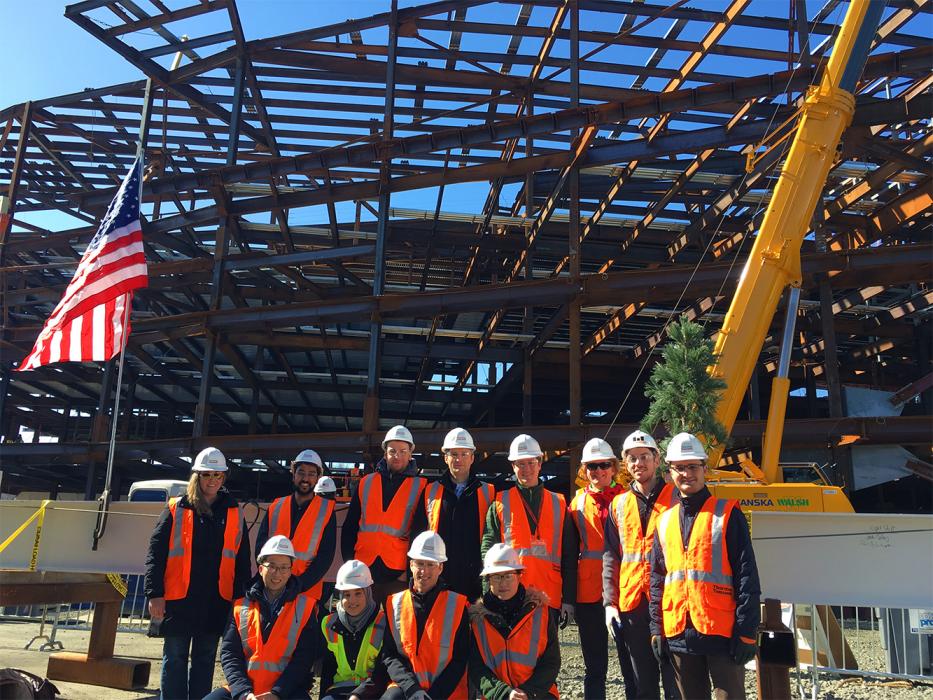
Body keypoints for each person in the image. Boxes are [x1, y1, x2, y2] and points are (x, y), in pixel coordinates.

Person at [649, 433, 761, 700]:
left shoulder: (727, 513)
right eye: (679, 467)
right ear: (670, 472)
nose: (686, 474)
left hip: (721, 632)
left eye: (692, 467)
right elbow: (657, 580)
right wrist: (656, 629)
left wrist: (747, 631)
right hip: (678, 632)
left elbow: (746, 575)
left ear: (704, 469)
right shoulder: (664, 522)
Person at [144, 447, 251, 700]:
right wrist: (154, 593)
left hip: (216, 600)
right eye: (207, 475)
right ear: (197, 476)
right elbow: (155, 554)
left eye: (217, 475)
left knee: (204, 660)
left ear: (223, 477)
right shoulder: (176, 508)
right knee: (175, 659)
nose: (212, 480)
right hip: (179, 599)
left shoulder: (234, 512)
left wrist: (239, 601)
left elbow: (242, 561)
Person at [604, 430, 679, 700]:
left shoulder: (676, 498)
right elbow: (611, 556)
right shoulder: (619, 505)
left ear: (657, 460)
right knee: (642, 685)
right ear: (625, 463)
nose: (639, 463)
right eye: (632, 458)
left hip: (671, 603)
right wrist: (609, 603)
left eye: (644, 456)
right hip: (633, 604)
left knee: (675, 683)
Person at [351, 531, 470, 700]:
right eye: (420, 563)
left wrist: (433, 696)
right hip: (407, 687)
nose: (424, 571)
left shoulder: (458, 605)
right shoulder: (394, 603)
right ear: (411, 565)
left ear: (441, 567)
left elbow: (460, 660)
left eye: (431, 564)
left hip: (446, 693)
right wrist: (413, 689)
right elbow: (390, 656)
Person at [206, 535, 318, 700]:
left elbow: (304, 659)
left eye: (284, 567)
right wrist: (244, 692)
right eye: (271, 566)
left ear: (290, 571)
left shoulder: (306, 607)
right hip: (246, 690)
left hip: (286, 691)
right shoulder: (240, 605)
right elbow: (230, 653)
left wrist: (277, 693)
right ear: (260, 569)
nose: (277, 573)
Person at [481, 434, 576, 618]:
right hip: (511, 595)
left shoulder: (559, 503)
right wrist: (489, 592)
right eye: (520, 464)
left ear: (540, 463)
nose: (526, 469)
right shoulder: (500, 503)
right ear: (513, 467)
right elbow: (488, 549)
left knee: (546, 647)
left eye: (531, 463)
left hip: (549, 595)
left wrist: (569, 600)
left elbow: (570, 556)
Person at [567, 438, 625, 700]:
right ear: (584, 470)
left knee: (632, 665)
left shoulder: (629, 499)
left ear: (613, 468)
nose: (598, 471)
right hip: (589, 594)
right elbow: (568, 553)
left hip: (625, 590)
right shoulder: (576, 504)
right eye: (592, 466)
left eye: (603, 465)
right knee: (595, 667)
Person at [342, 426, 427, 604]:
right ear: (385, 452)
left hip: (397, 573)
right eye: (392, 451)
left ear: (411, 452)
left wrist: (408, 570)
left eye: (403, 451)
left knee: (394, 626)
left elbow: (419, 534)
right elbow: (349, 527)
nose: (397, 456)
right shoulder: (366, 483)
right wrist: (349, 563)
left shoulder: (421, 487)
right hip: (362, 569)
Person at [412, 427, 495, 601]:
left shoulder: (488, 492)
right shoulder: (430, 492)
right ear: (446, 458)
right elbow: (417, 537)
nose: (458, 459)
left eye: (464, 454)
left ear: (472, 458)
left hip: (474, 580)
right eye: (454, 454)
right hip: (437, 579)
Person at [469, 543, 560, 700]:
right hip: (498, 696)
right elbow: (477, 669)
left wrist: (527, 693)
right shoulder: (477, 620)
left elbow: (551, 662)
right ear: (488, 580)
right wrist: (505, 694)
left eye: (508, 576)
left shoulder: (541, 612)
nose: (502, 583)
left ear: (519, 576)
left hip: (538, 694)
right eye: (496, 576)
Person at [256, 449, 336, 605]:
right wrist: (270, 578)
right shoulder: (276, 506)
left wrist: (299, 585)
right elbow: (260, 546)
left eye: (311, 474)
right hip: (272, 587)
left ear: (318, 477)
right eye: (301, 472)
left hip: (306, 591)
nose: (305, 478)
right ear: (293, 474)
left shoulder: (326, 511)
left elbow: (325, 557)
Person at [319, 560, 386, 700]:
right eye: (347, 595)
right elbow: (328, 666)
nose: (352, 600)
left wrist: (359, 694)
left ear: (368, 593)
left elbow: (383, 671)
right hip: (339, 688)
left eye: (358, 593)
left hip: (373, 690)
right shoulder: (329, 624)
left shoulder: (383, 623)